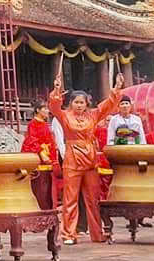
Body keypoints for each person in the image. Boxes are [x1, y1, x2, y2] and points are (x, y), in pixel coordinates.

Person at [49, 73, 125, 246]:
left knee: (93, 198)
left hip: (90, 159)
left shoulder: (93, 115)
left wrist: (117, 88)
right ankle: (69, 233)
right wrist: (56, 88)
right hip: (72, 159)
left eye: (82, 102)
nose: (79, 105)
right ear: (71, 103)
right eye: (76, 102)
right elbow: (54, 106)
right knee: (70, 199)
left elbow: (107, 105)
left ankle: (97, 234)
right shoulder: (64, 116)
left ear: (86, 103)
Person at [21, 104, 58, 210]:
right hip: (39, 157)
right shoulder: (33, 124)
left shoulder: (45, 124)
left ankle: (48, 209)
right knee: (40, 186)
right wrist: (42, 154)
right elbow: (32, 140)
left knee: (48, 186)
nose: (47, 111)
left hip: (47, 156)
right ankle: (40, 208)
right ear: (38, 110)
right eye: (45, 108)